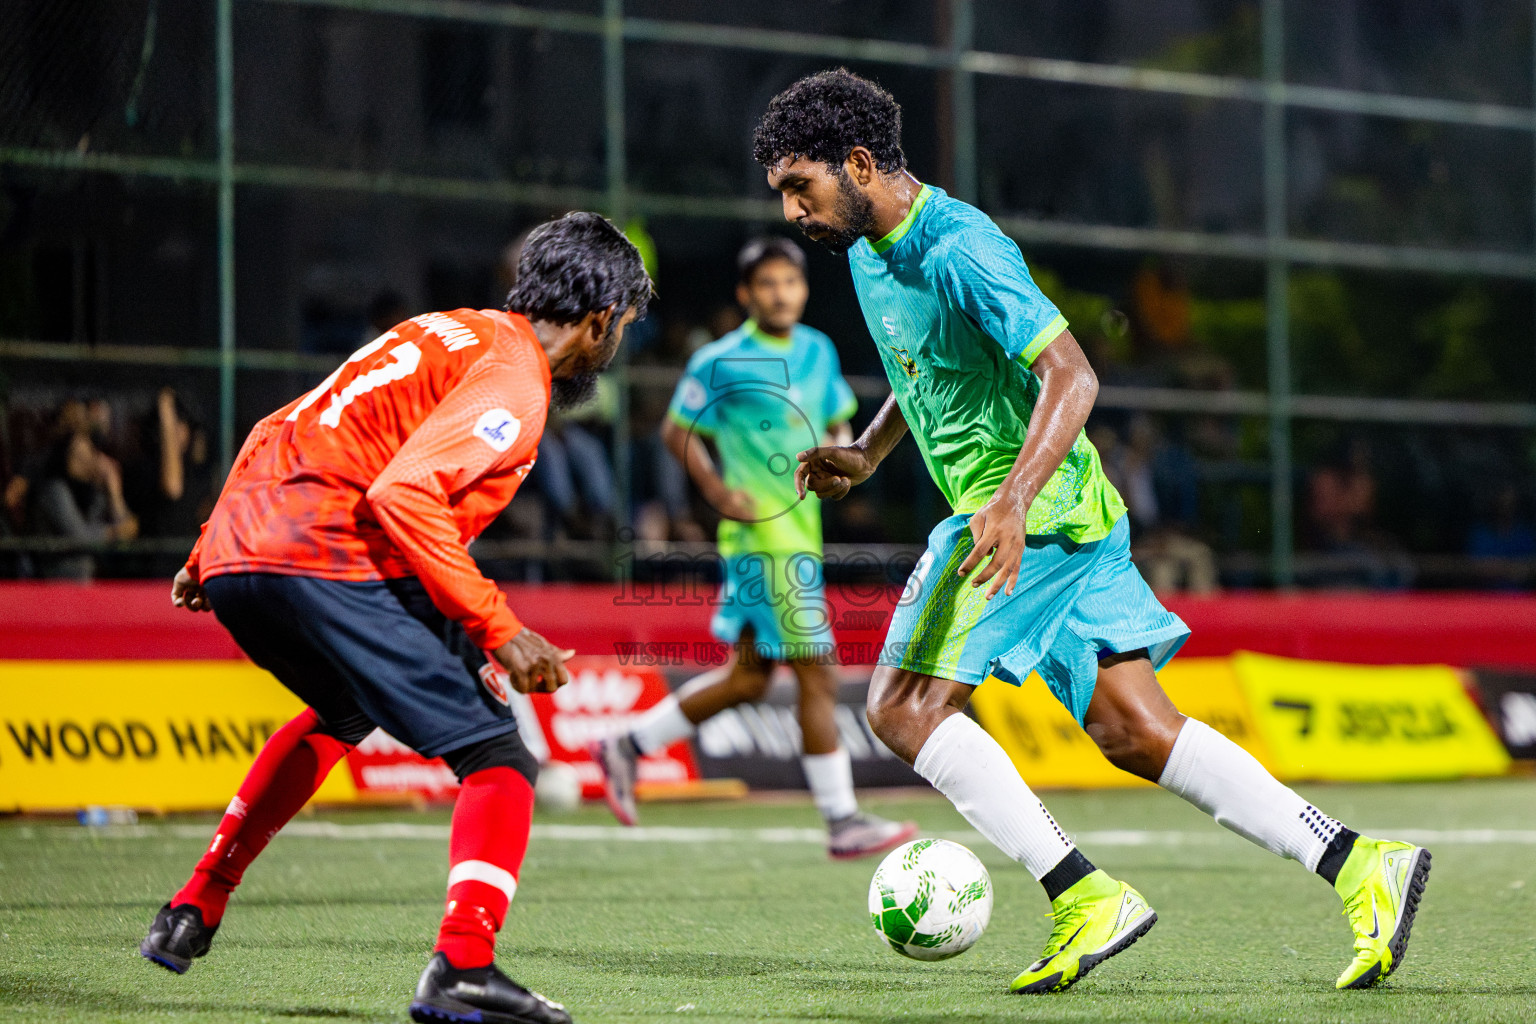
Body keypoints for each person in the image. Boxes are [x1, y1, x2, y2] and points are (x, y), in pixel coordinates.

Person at [754, 69, 1430, 994]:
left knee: (901, 709)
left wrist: (1011, 503)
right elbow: (931, 374)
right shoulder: (874, 252)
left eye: (802, 186)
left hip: (1024, 517)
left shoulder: (960, 247)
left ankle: (1081, 894)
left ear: (860, 164)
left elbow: (1073, 377)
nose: (794, 209)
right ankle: (1360, 863)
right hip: (1068, 516)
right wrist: (870, 453)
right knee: (1135, 731)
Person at [139, 212, 651, 1024]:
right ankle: (465, 967)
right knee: (497, 758)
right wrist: (498, 627)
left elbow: (280, 423)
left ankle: (194, 905)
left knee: (343, 712)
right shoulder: (516, 381)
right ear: (600, 321)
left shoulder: (439, 329)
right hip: (324, 551)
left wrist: (209, 548)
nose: (616, 342)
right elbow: (404, 494)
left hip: (245, 550)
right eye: (622, 327)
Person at [590, 237, 917, 859]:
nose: (780, 294)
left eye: (790, 283)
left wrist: (842, 458)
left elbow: (840, 424)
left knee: (747, 680)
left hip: (802, 537)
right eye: (766, 284)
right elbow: (676, 430)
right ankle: (842, 818)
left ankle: (626, 745)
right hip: (760, 540)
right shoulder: (721, 359)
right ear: (746, 294)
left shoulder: (817, 350)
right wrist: (715, 491)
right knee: (818, 673)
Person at [30, 428, 139, 580]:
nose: (85, 461)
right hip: (59, 583)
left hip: (91, 583)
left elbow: (127, 538)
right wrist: (116, 532)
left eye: (88, 454)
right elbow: (81, 537)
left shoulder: (93, 492)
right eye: (77, 455)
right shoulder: (54, 490)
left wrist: (114, 492)